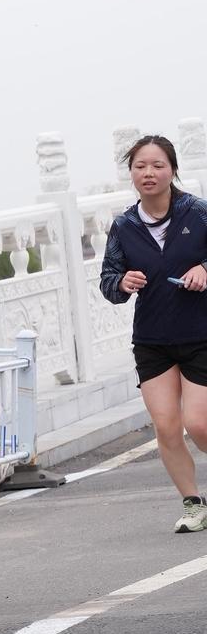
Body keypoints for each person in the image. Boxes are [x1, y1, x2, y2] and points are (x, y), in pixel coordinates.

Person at [100, 134, 207, 533]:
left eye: (157, 165)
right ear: (130, 173)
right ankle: (193, 503)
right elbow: (108, 282)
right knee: (166, 426)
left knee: (199, 423)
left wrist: (204, 269)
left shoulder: (197, 213)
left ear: (172, 170)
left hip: (200, 334)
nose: (149, 173)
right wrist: (122, 281)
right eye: (140, 166)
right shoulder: (125, 225)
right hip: (152, 339)